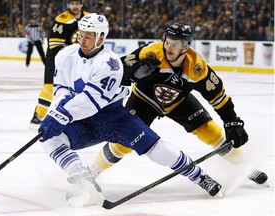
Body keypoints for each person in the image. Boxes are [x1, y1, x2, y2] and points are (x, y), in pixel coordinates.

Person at [38, 14, 229, 207]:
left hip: (113, 119)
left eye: (89, 35)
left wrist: (60, 115)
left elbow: (91, 100)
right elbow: (61, 88)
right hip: (82, 120)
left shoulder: (110, 63)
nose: (82, 40)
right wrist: (59, 108)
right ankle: (82, 176)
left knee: (158, 149)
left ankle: (200, 176)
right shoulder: (65, 55)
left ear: (101, 37)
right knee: (47, 137)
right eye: (81, 34)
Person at [92, 23, 268, 185]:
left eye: (175, 44)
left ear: (186, 46)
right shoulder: (151, 53)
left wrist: (232, 121)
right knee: (124, 140)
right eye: (168, 42)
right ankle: (92, 173)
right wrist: (132, 74)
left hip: (178, 101)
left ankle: (245, 166)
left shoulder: (197, 68)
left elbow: (218, 96)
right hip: (144, 99)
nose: (169, 47)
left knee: (211, 131)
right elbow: (117, 72)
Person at [30, 0, 89, 128]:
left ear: (81, 4)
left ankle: (79, 119)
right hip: (57, 59)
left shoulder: (89, 18)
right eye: (72, 4)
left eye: (77, 3)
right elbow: (55, 45)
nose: (75, 6)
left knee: (81, 89)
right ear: (68, 5)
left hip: (80, 60)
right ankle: (38, 116)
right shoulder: (62, 19)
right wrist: (72, 54)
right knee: (49, 87)